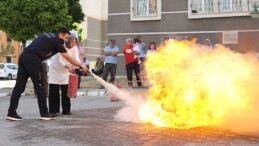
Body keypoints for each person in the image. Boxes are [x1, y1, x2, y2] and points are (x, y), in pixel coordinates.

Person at [6, 27, 88, 121]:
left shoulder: (46, 34)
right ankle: (44, 113)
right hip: (33, 59)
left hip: (23, 56)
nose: (66, 40)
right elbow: (67, 57)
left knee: (19, 87)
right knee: (40, 86)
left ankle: (11, 113)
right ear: (60, 35)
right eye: (65, 37)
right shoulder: (58, 42)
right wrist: (81, 66)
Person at [48, 33, 81, 116]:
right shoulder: (61, 46)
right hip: (55, 69)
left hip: (66, 71)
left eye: (75, 42)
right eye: (72, 42)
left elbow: (76, 59)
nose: (73, 44)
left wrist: (80, 66)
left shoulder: (75, 48)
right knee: (54, 91)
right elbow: (59, 61)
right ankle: (53, 111)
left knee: (65, 90)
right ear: (68, 40)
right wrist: (68, 66)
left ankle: (66, 110)